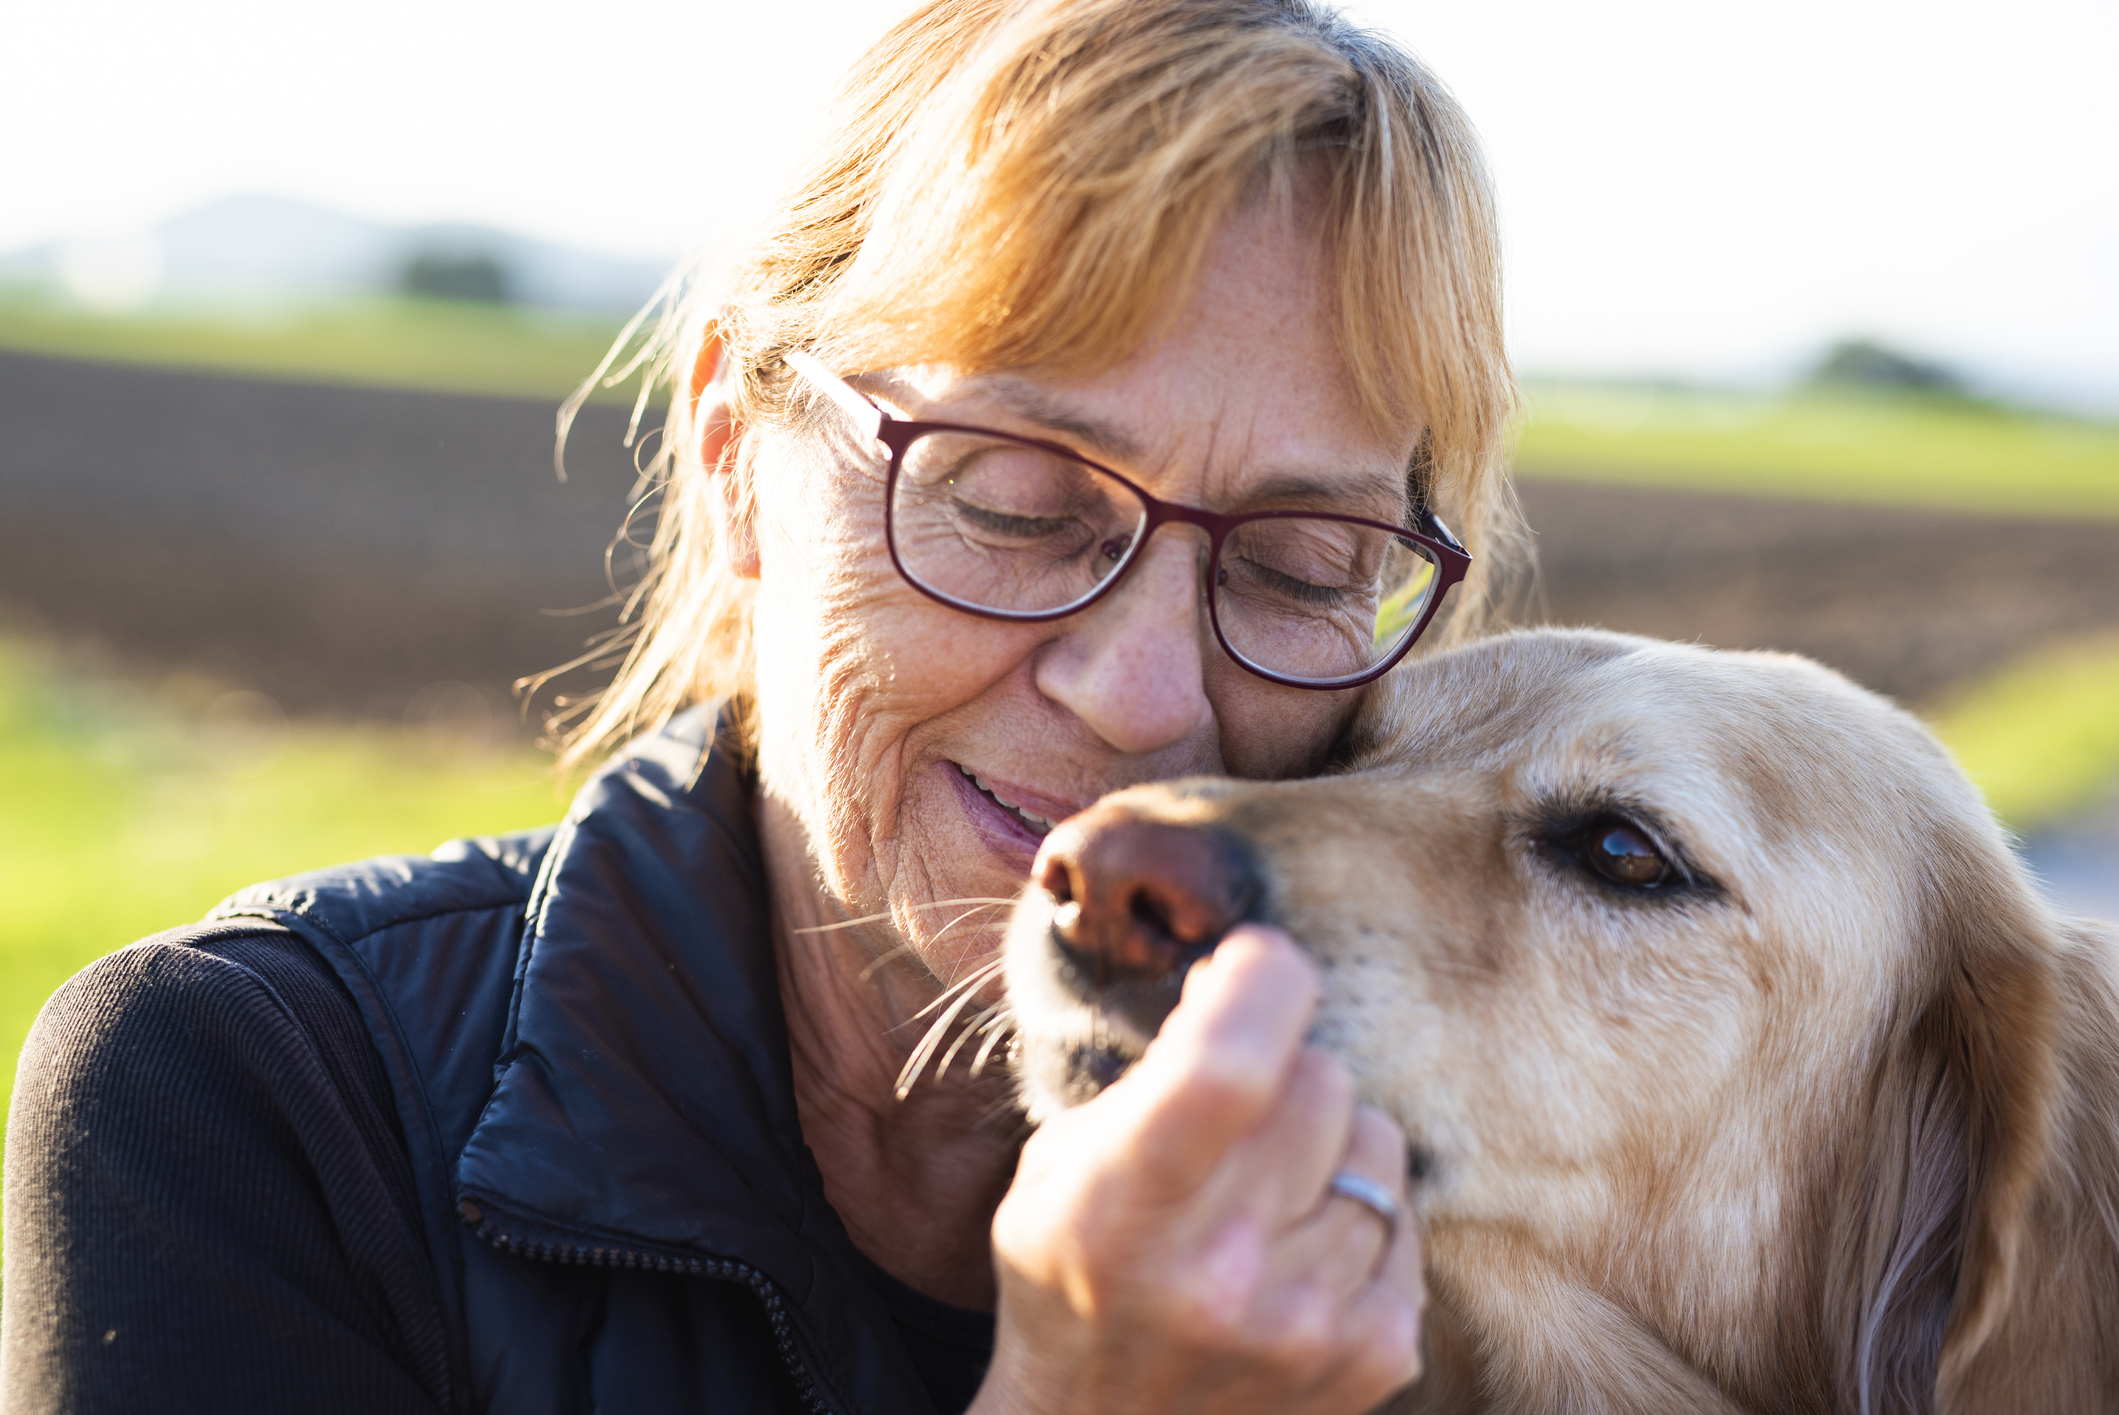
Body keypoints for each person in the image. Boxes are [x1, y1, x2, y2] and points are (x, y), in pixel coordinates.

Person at [1, 1, 1518, 1411]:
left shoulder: (1496, 1203)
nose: (1140, 697)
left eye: (1298, 568)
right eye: (1013, 504)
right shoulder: (260, 1105)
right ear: (735, 456)